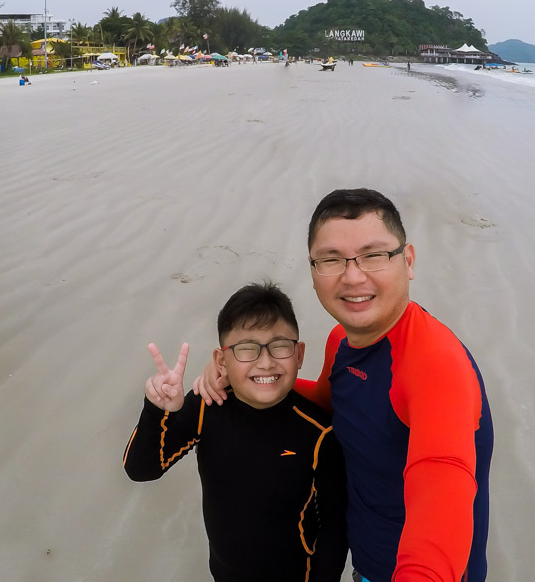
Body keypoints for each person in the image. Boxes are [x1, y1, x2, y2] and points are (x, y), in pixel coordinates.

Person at [195, 189, 494, 582]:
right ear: (314, 271)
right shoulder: (342, 341)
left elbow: (444, 481)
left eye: (373, 255)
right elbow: (332, 401)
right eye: (332, 259)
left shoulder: (435, 366)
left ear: (408, 261)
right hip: (365, 563)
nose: (353, 276)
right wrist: (244, 375)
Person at [123, 281, 348, 582]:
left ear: (299, 354)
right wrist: (158, 409)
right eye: (247, 350)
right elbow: (142, 469)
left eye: (280, 346)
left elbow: (335, 527)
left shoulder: (319, 433)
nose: (265, 362)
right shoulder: (206, 407)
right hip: (224, 573)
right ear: (221, 360)